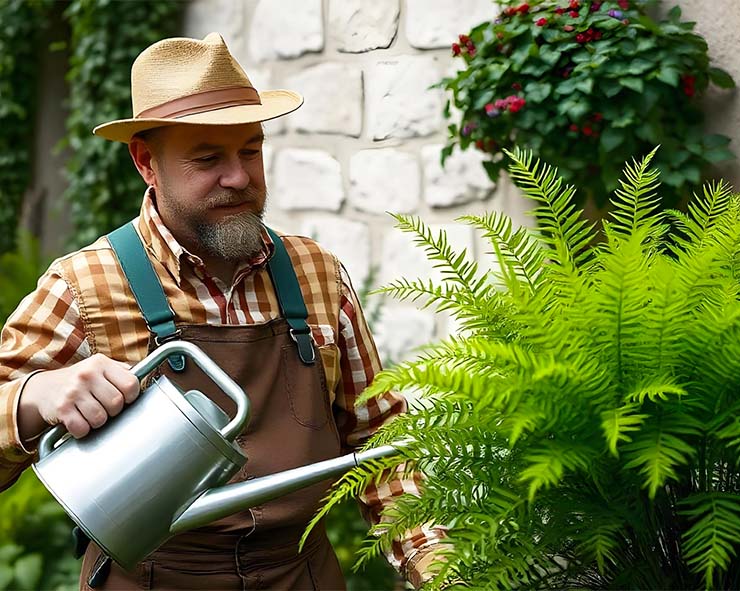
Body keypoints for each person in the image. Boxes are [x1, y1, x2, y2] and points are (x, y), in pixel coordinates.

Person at [0, 32, 446, 590]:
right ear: (146, 163)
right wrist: (34, 398)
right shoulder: (84, 285)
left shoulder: (318, 274)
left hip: (300, 577)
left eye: (251, 150)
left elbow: (379, 444)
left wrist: (441, 571)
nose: (239, 177)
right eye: (208, 158)